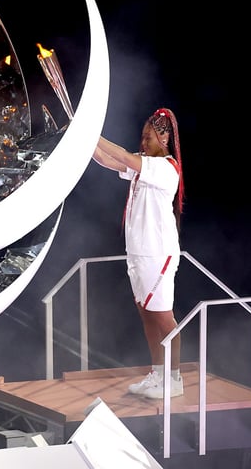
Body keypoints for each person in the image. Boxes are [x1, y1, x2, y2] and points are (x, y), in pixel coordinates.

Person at [91, 107, 186, 398]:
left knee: (163, 316)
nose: (143, 142)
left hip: (158, 254)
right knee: (146, 315)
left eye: (148, 137)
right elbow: (106, 159)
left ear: (165, 137)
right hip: (137, 253)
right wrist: (80, 141)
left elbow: (120, 154)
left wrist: (89, 130)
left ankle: (175, 379)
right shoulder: (145, 164)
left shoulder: (166, 168)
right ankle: (158, 374)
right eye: (142, 136)